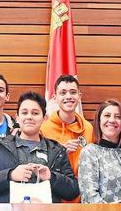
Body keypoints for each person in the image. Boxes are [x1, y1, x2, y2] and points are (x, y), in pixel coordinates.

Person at [0, 91, 79, 203]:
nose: (29, 117)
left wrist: (52, 176)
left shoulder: (57, 150)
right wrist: (10, 175)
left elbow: (73, 191)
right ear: (17, 117)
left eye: (35, 113)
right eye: (24, 113)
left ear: (44, 118)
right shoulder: (0, 147)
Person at [40, 74, 94, 202]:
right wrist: (60, 152)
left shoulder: (88, 128)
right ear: (55, 97)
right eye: (63, 93)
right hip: (54, 196)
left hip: (83, 197)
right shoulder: (44, 129)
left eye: (73, 92)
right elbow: (40, 165)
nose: (68, 96)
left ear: (79, 97)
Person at [78, 99, 121, 203]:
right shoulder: (90, 152)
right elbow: (89, 197)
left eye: (118, 117)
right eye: (107, 115)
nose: (112, 120)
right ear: (99, 120)